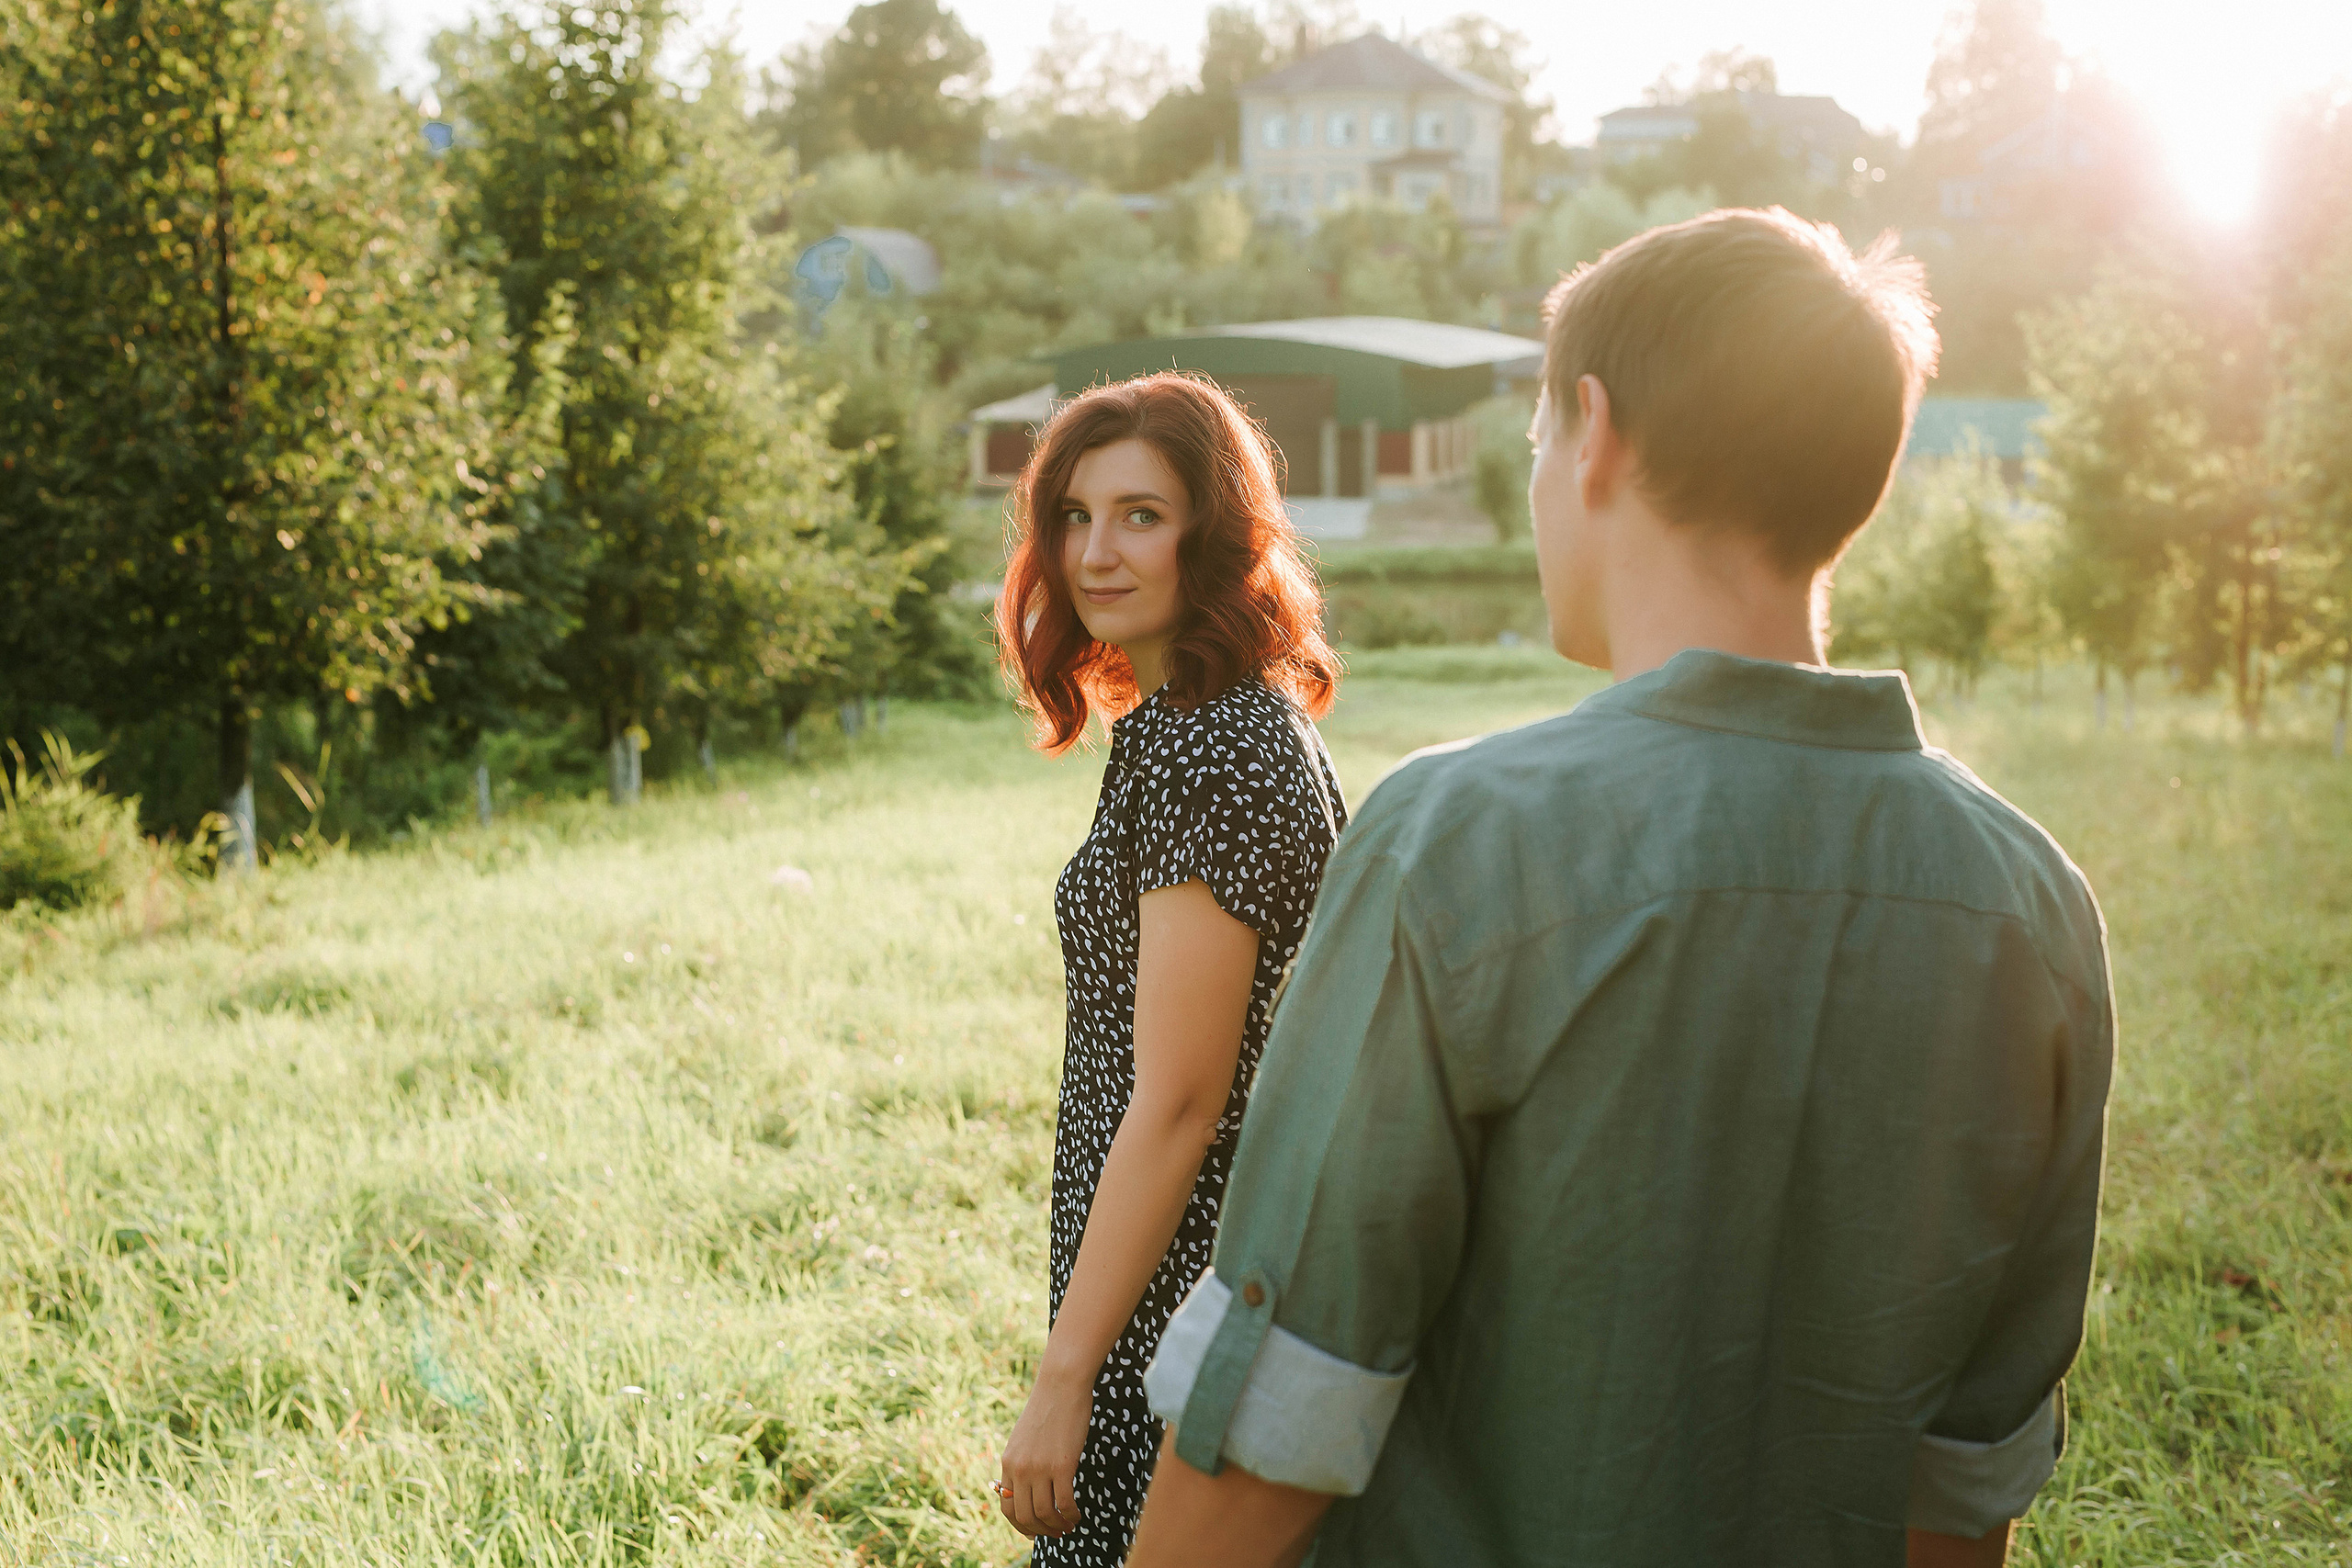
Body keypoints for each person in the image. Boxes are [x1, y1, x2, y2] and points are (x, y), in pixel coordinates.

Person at [1129, 208, 2116, 1568]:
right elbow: (1961, 1484)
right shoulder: (2035, 908)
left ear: (1596, 433)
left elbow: (1283, 1403)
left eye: (1537, 439)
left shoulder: (1458, 838)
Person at [989, 372, 1348, 1564]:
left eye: (1141, 514)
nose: (1095, 551)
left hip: (1176, 1299)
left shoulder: (1212, 745)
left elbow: (1183, 1100)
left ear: (1219, 533)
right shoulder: (1202, 726)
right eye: (1076, 516)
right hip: (1161, 1278)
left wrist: (1064, 1376)